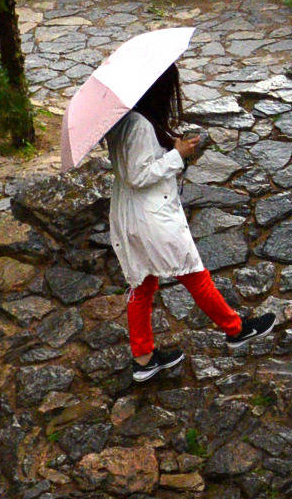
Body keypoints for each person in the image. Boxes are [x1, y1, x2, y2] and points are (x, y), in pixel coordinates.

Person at [106, 63, 276, 386]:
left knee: (141, 283)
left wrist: (169, 145)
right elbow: (138, 174)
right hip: (151, 218)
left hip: (130, 217)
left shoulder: (123, 121)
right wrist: (177, 154)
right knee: (193, 274)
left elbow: (134, 163)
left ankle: (143, 359)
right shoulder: (140, 125)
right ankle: (236, 329)